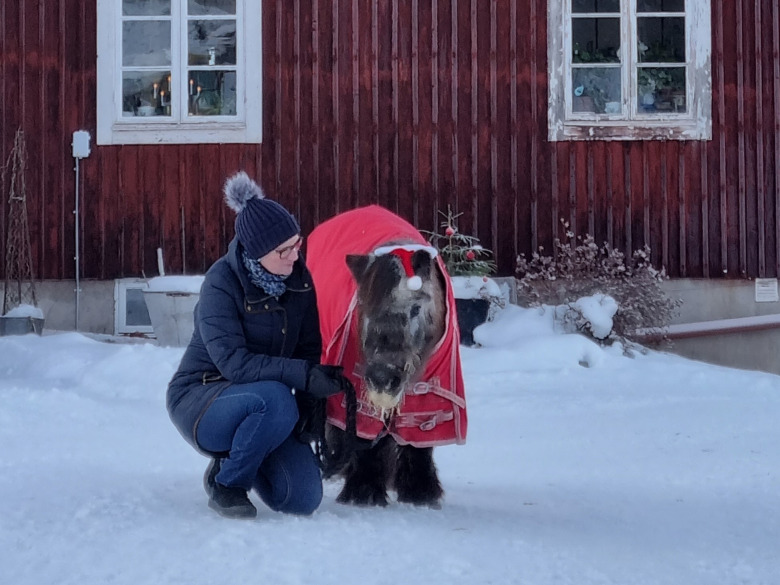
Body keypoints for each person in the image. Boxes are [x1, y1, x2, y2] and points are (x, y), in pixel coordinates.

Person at [167, 171, 348, 519]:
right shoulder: (220, 284)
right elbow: (234, 364)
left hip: (265, 404)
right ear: (256, 252)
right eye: (284, 250)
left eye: (297, 244)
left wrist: (312, 403)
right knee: (276, 400)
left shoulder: (298, 279)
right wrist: (303, 376)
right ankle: (228, 484)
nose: (295, 255)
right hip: (203, 397)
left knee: (301, 498)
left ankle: (243, 453)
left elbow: (308, 347)